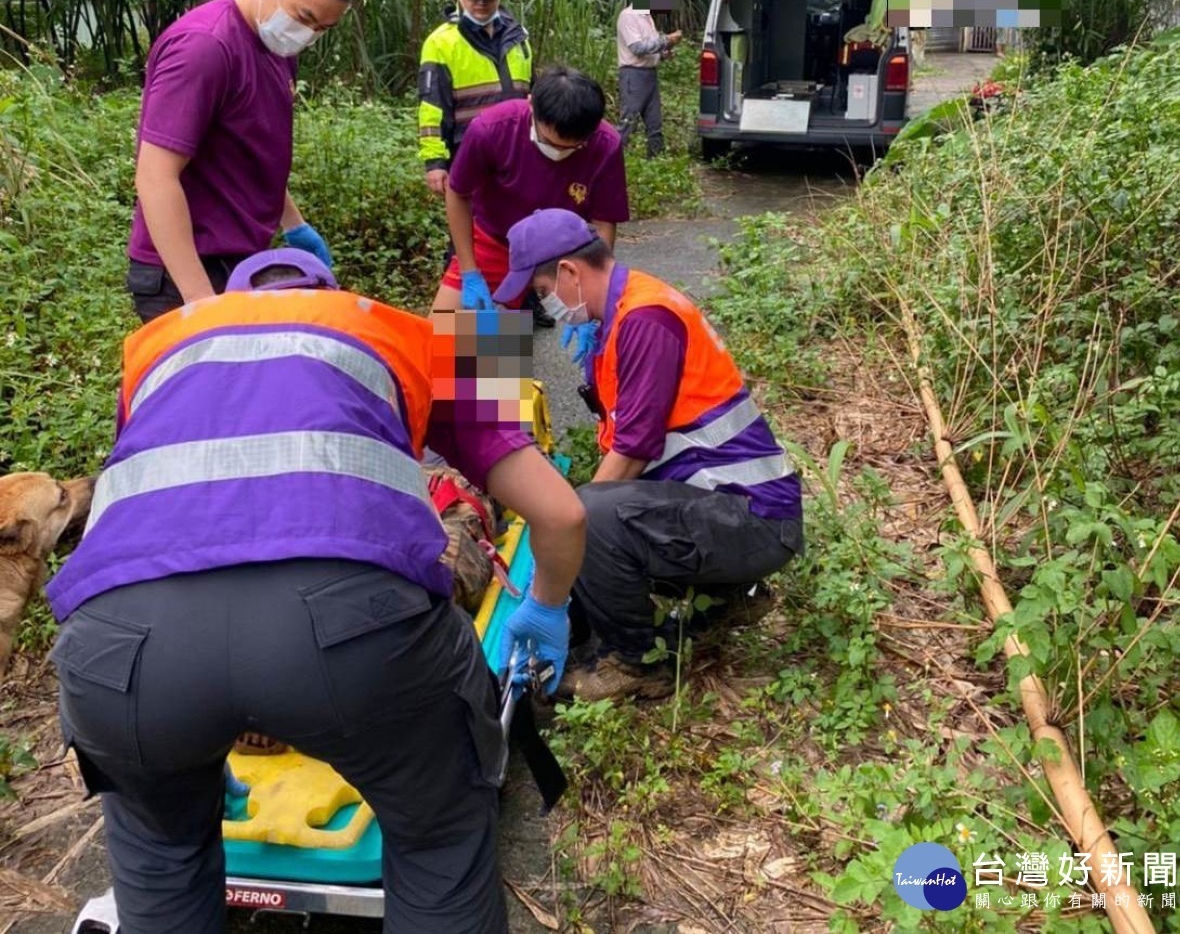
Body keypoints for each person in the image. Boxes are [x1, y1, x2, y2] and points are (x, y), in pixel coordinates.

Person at [49, 249, 585, 934]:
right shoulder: (400, 333)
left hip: (118, 651)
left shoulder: (161, 345)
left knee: (162, 852)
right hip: (345, 628)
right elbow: (562, 513)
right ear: (333, 290)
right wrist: (547, 604)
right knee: (439, 837)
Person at [493, 209, 805, 701]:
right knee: (594, 515)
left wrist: (562, 541)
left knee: (589, 515)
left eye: (539, 291)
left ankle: (636, 662)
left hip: (755, 521)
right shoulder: (623, 313)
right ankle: (730, 597)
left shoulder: (645, 319)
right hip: (731, 509)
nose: (545, 305)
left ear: (570, 273)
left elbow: (633, 451)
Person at [125, 0, 357, 324]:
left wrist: (295, 224)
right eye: (305, 18)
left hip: (244, 261)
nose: (309, 35)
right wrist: (199, 299)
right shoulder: (205, 48)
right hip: (186, 270)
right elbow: (155, 176)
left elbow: (251, 152)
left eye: (323, 29)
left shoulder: (277, 48)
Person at [429, 66, 630, 314]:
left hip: (563, 252)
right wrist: (470, 272)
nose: (558, 154)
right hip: (496, 241)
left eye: (572, 148)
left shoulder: (606, 145)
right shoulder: (491, 129)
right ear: (531, 105)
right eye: (550, 143)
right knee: (443, 335)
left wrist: (592, 294)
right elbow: (458, 193)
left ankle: (514, 334)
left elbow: (603, 223)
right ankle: (495, 340)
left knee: (510, 345)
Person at [418, 0, 533, 197]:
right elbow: (432, 107)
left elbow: (532, 92)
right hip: (469, 151)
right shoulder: (441, 42)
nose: (481, 1)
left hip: (519, 151)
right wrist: (435, 162)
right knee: (471, 227)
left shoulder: (518, 36)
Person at [616, 0, 682, 159]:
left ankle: (657, 161)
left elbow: (650, 47)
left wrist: (665, 51)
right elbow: (637, 48)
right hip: (633, 74)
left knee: (654, 124)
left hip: (649, 74)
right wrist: (666, 39)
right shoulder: (629, 16)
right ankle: (613, 158)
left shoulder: (647, 17)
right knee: (628, 122)